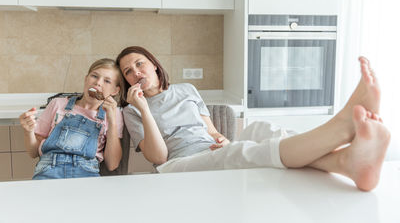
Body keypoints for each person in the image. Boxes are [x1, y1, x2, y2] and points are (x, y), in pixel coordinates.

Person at [116, 46, 390, 191]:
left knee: (258, 128)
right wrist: (142, 107)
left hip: (209, 151)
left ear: (153, 63)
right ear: (127, 82)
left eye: (139, 63)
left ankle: (345, 162)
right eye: (128, 72)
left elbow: (210, 131)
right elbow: (159, 158)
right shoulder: (131, 110)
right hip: (178, 165)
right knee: (244, 152)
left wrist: (221, 139)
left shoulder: (186, 89)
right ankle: (341, 128)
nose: (136, 72)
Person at [19, 58, 125, 180]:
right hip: (48, 171)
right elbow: (33, 153)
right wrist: (28, 132)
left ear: (115, 90)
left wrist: (112, 121)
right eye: (94, 76)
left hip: (87, 173)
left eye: (107, 81)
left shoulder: (114, 113)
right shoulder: (57, 104)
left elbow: (112, 164)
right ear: (86, 79)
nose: (98, 83)